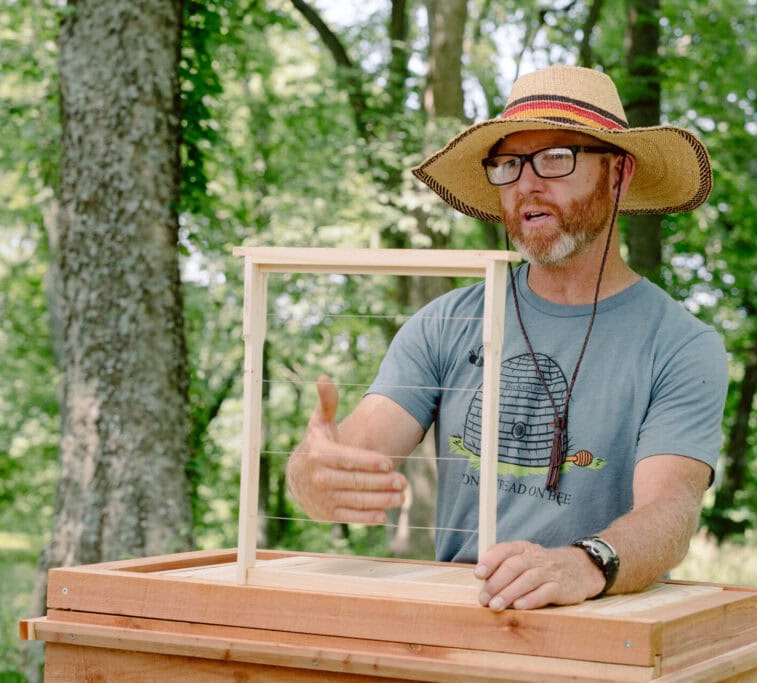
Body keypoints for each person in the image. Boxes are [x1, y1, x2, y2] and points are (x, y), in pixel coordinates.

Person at [286, 65, 728, 612]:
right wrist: (312, 471)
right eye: (509, 164)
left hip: (601, 631)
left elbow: (671, 513)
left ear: (618, 174)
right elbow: (350, 455)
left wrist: (586, 563)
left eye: (556, 158)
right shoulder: (446, 323)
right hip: (458, 629)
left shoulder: (682, 345)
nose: (526, 183)